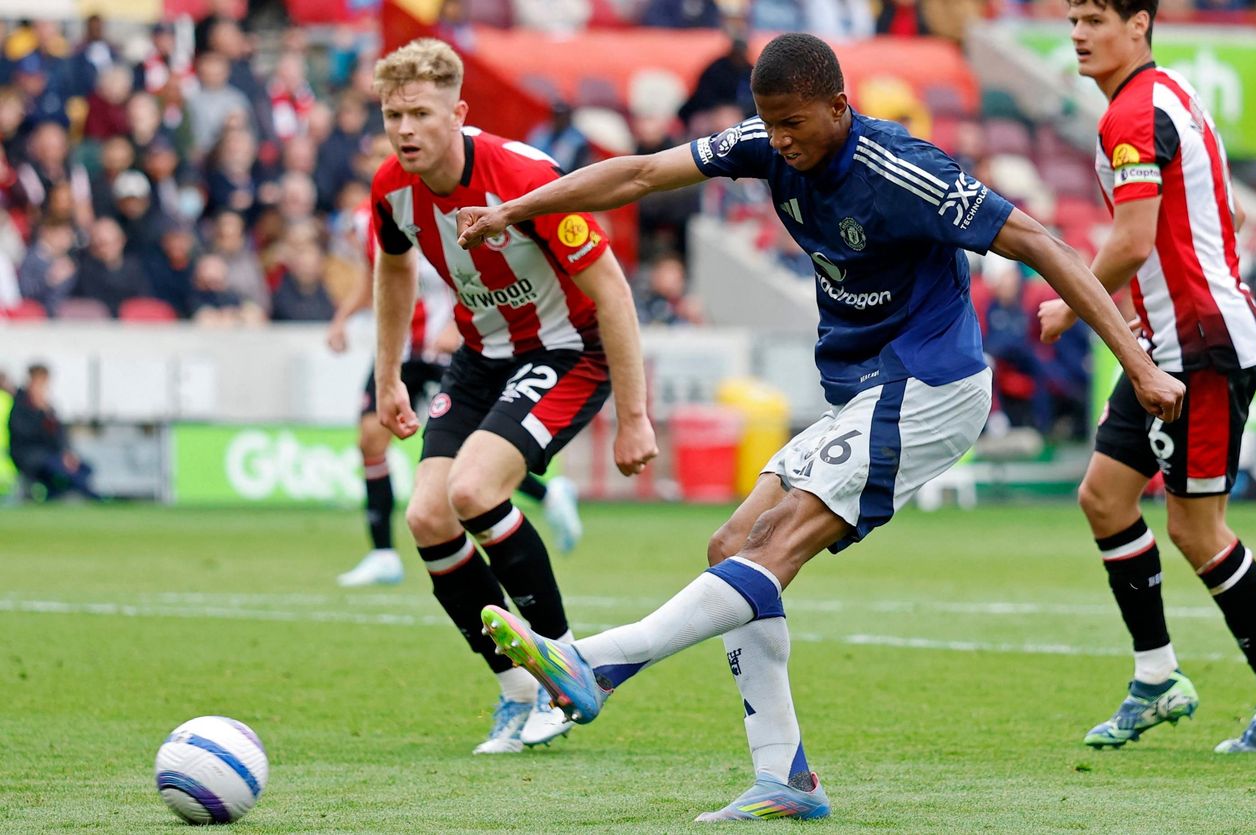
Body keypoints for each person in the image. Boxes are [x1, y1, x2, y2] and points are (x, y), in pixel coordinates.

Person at [455, 32, 1183, 821]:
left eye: (795, 124)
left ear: (839, 106)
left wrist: (1138, 367)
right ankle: (785, 777)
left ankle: (594, 665)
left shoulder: (901, 170)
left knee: (774, 545)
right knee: (733, 546)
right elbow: (640, 172)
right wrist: (520, 209)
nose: (781, 142)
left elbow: (1041, 242)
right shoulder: (768, 144)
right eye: (769, 124)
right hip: (868, 389)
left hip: (930, 383)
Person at [1037, 0, 1256, 754]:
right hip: (1168, 342)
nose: (1078, 33)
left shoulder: (1134, 113)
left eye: (1096, 17)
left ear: (1140, 24)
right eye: (1072, 18)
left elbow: (1132, 241)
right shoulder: (1169, 95)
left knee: (1197, 528)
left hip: (1197, 350)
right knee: (1104, 496)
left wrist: (1071, 306)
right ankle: (1157, 679)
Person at [367, 39, 658, 755]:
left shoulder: (528, 179)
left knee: (471, 490)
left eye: (421, 114)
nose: (405, 130)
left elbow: (613, 290)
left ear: (458, 111)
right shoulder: (391, 190)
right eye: (392, 114)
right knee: (429, 515)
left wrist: (634, 415)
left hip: (567, 352)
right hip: (481, 358)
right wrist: (388, 374)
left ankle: (565, 669)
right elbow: (395, 270)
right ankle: (517, 691)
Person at [326, 218, 588, 588]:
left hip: (447, 347)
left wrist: (458, 323)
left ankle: (548, 495)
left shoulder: (441, 209)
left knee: (468, 448)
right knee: (370, 438)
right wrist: (341, 319)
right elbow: (374, 275)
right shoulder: (368, 218)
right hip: (397, 350)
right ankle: (383, 554)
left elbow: (482, 270)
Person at [7, 364, 101, 501]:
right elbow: (25, 434)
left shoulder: (48, 408)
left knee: (84, 468)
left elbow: (59, 434)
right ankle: (87, 496)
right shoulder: (20, 405)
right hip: (30, 455)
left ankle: (60, 494)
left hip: (51, 454)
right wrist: (40, 414)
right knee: (58, 469)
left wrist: (66, 453)